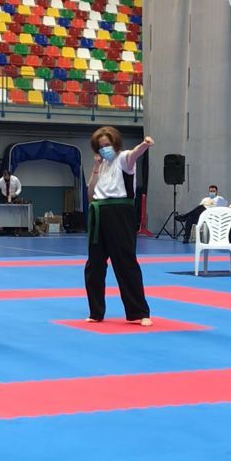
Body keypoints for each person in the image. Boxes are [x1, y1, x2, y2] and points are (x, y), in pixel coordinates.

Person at [85, 127, 155, 325]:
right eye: (100, 147)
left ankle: (139, 312)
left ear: (115, 144)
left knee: (125, 262)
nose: (104, 149)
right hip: (99, 213)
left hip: (120, 213)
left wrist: (145, 145)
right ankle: (96, 312)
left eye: (107, 145)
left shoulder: (124, 159)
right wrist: (95, 168)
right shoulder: (102, 166)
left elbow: (135, 154)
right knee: (94, 265)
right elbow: (90, 195)